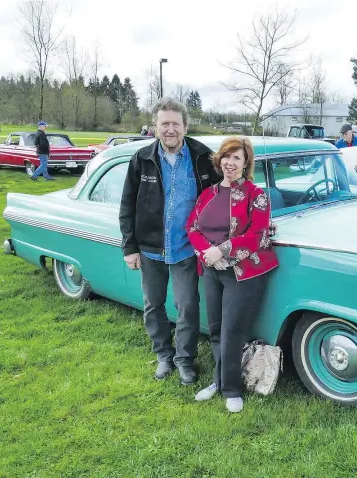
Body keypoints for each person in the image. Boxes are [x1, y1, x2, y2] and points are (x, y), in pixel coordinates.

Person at [119, 97, 222, 385]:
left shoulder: (203, 157)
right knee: (154, 304)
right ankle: (164, 355)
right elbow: (127, 205)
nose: (170, 129)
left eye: (175, 124)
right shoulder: (142, 159)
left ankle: (184, 359)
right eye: (164, 124)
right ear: (155, 127)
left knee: (187, 306)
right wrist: (130, 247)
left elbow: (227, 189)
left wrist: (257, 213)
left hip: (186, 249)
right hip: (151, 248)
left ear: (185, 126)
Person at [188, 137, 278, 413]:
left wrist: (223, 250)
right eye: (227, 156)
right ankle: (219, 380)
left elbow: (258, 236)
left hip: (244, 272)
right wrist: (207, 253)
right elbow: (192, 227)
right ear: (220, 160)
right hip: (211, 269)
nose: (230, 162)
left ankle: (231, 389)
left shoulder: (256, 194)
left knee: (232, 331)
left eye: (237, 158)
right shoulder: (208, 194)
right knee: (215, 328)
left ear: (245, 163)